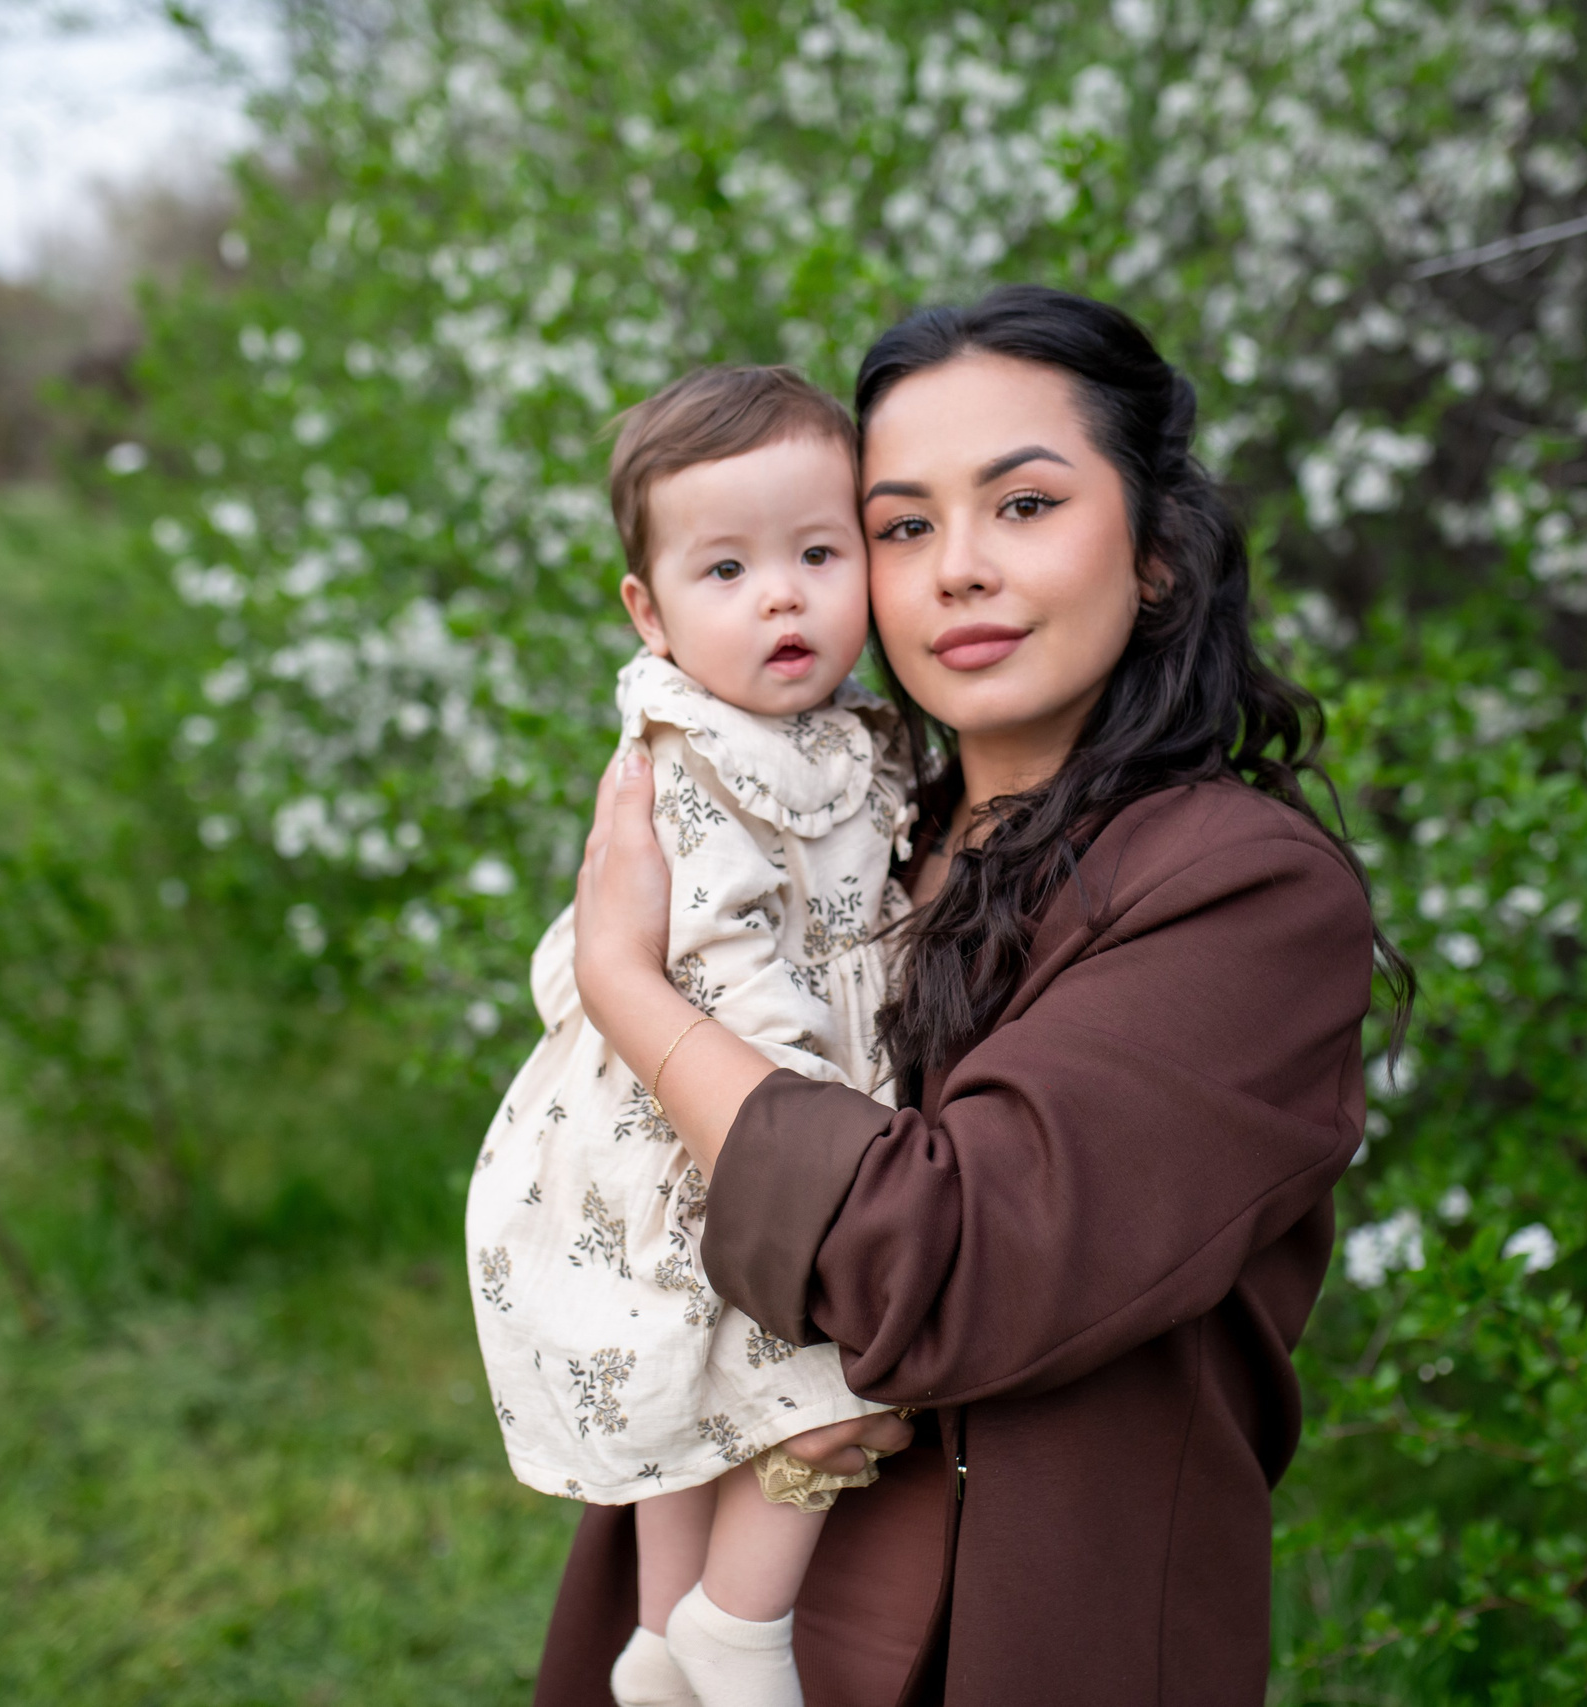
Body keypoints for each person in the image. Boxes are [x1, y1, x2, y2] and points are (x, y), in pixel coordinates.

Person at [538, 285, 1409, 1706]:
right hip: (724, 1610)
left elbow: (938, 1262)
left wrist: (628, 987)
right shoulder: (861, 838)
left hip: (1009, 1635)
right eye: (902, 527)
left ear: (1157, 556)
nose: (957, 571)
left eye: (1023, 506)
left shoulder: (1243, 891)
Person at [466, 366, 916, 1707]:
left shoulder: (830, 738)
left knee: (690, 1383)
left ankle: (661, 1643)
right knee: (807, 1368)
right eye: (727, 570)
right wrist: (819, 1120)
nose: (783, 595)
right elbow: (714, 959)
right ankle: (735, 1622)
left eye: (817, 554)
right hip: (708, 1119)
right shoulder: (697, 761)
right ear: (650, 616)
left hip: (719, 1106)